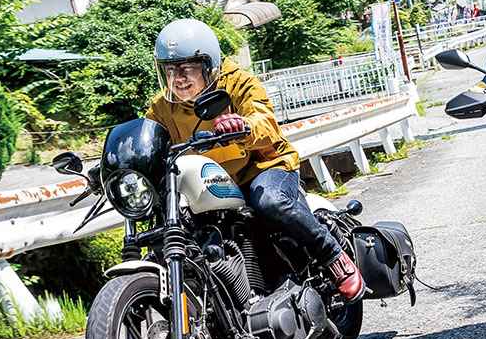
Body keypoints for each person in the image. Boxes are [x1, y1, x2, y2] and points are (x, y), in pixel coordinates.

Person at [145, 18, 364, 300]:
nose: (178, 78)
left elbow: (264, 120)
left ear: (208, 65)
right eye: (170, 70)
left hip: (263, 167)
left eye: (186, 69)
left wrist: (243, 125)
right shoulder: (163, 106)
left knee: (270, 201)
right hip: (211, 182)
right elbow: (147, 137)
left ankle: (333, 255)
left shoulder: (238, 83)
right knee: (176, 227)